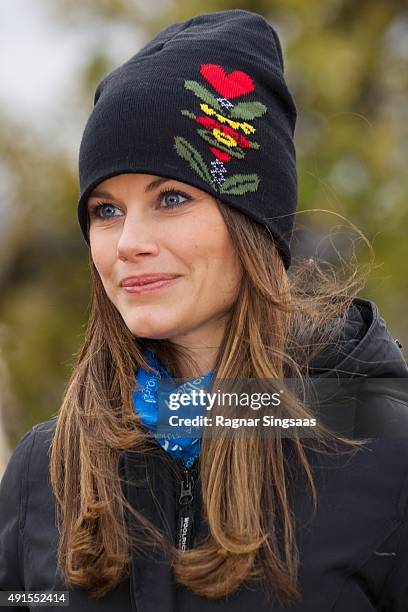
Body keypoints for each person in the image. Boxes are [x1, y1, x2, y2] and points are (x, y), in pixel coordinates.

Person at [1, 9, 408, 611]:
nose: (128, 242)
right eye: (106, 209)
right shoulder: (47, 470)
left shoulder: (380, 446)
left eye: (171, 198)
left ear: (253, 224)